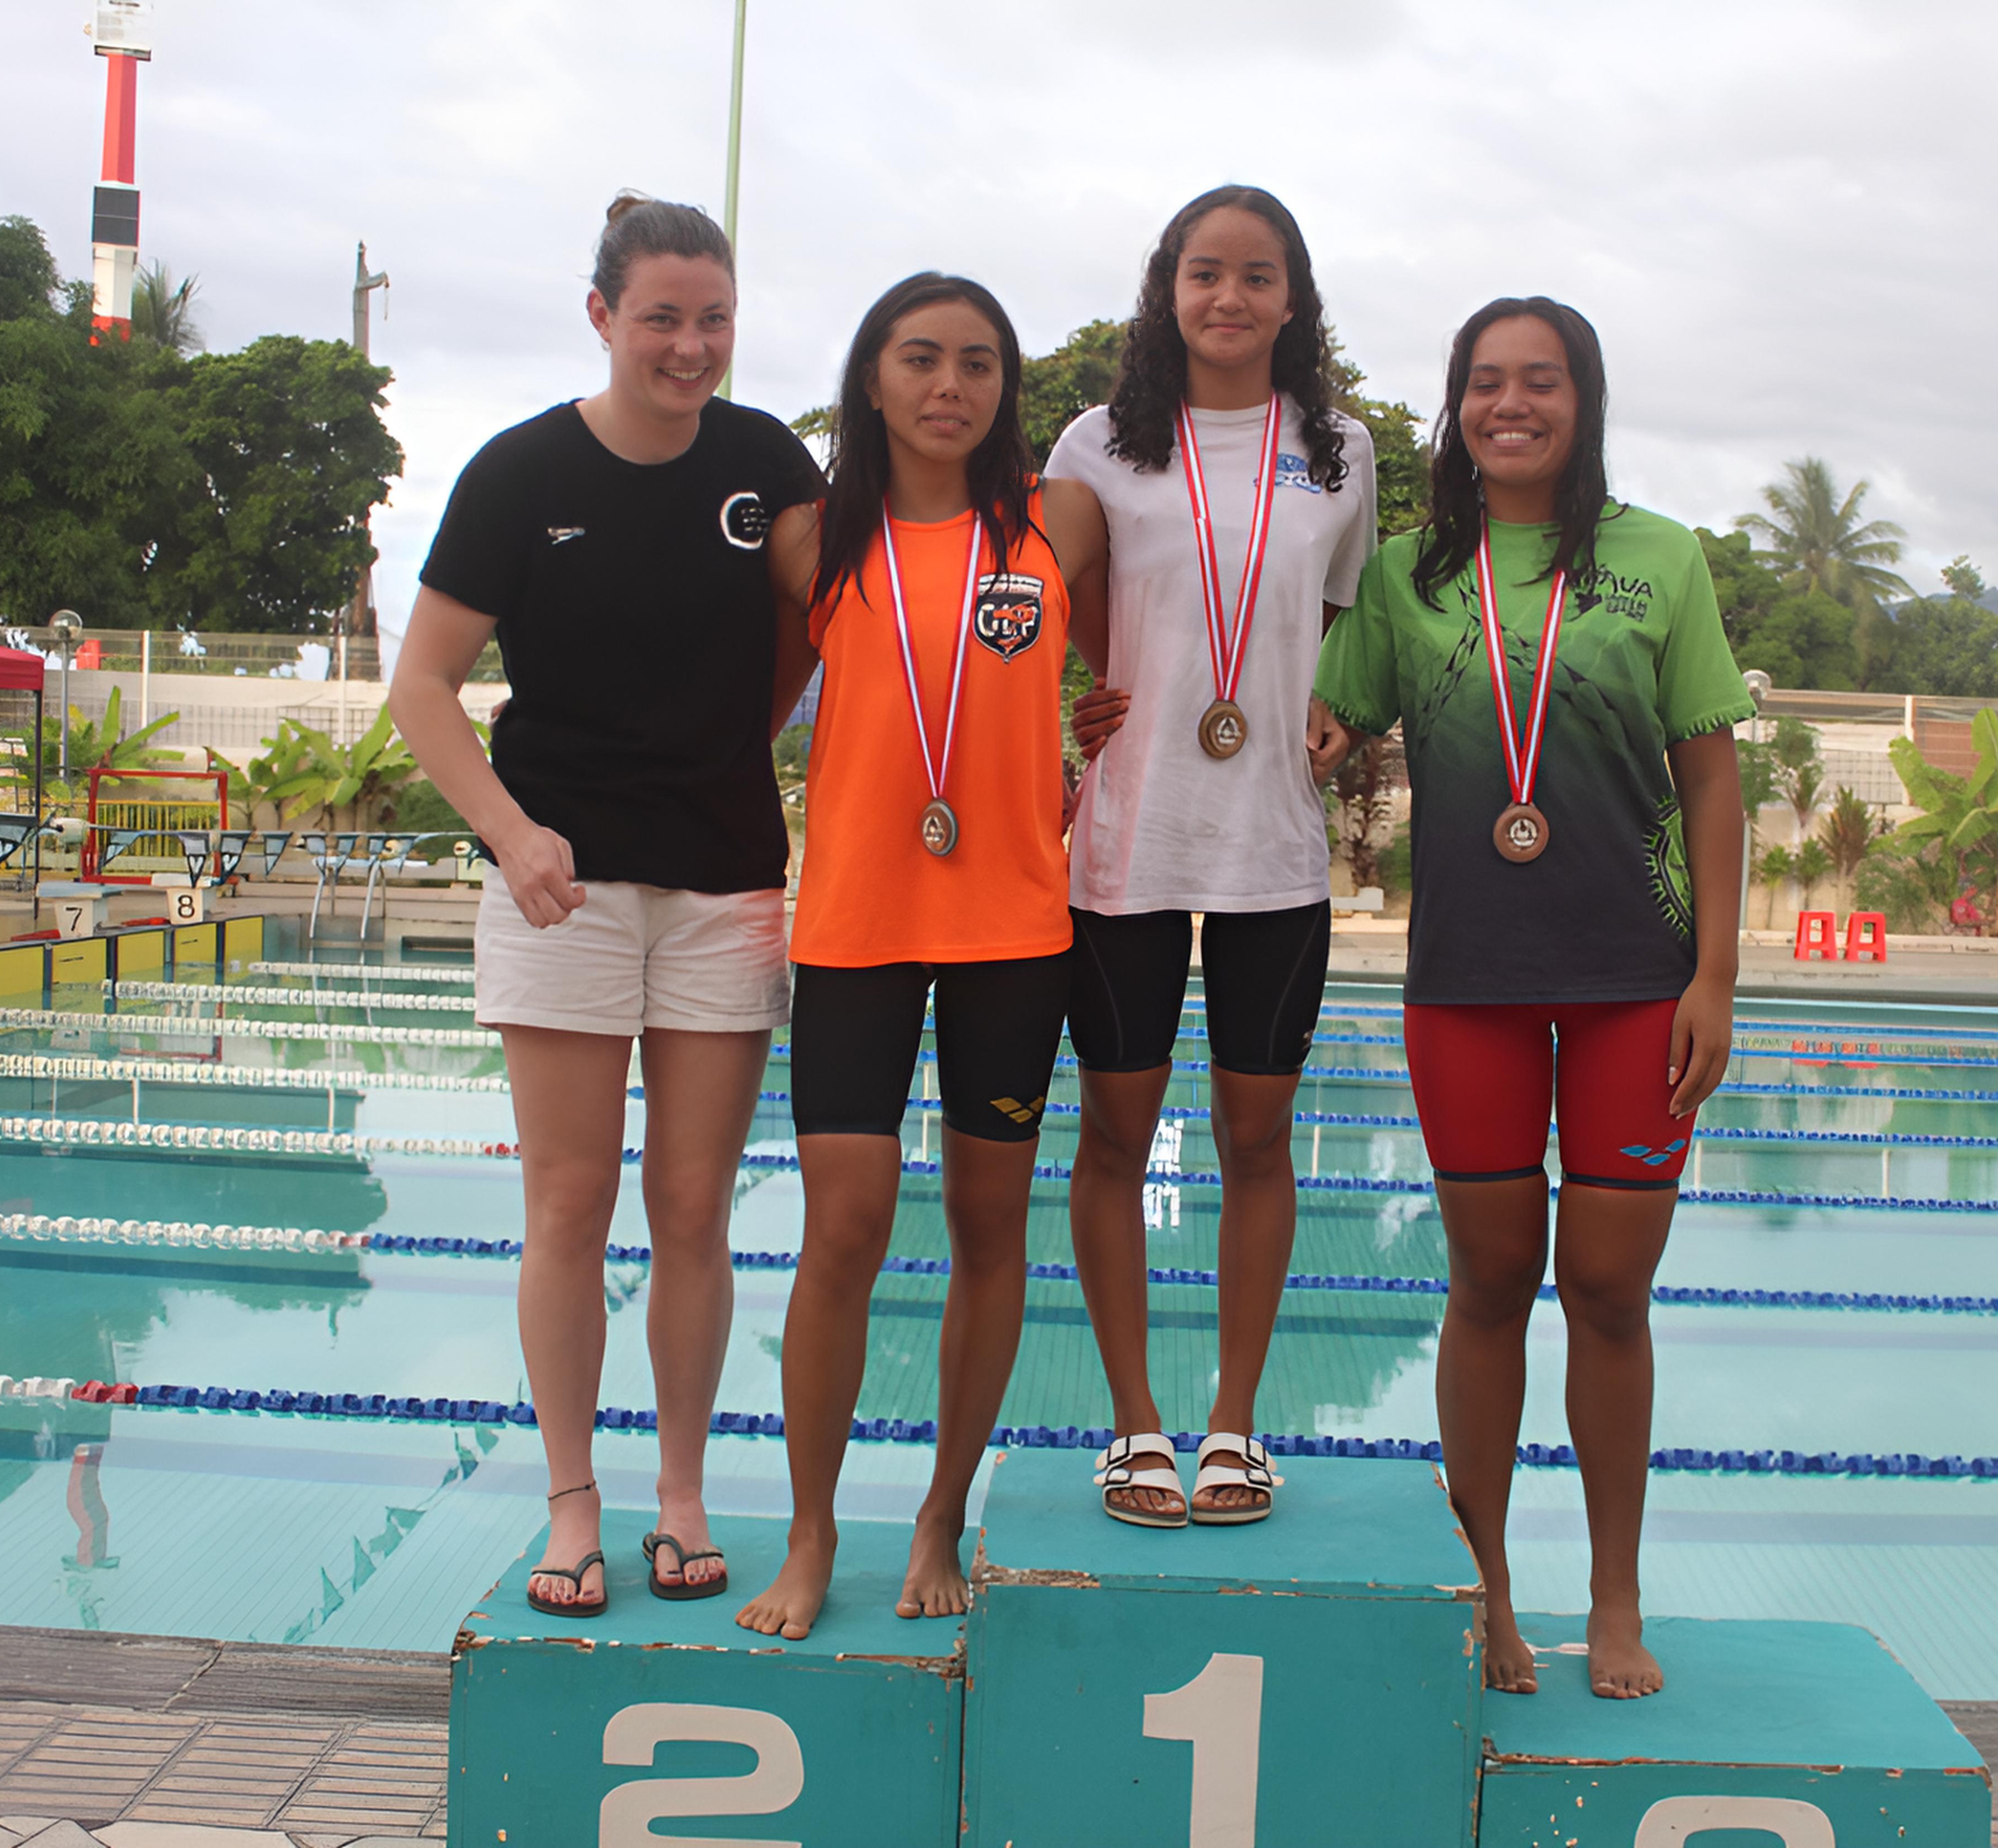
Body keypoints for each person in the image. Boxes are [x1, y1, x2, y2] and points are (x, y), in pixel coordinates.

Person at [390, 195, 825, 1617]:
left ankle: (683, 1492)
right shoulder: (520, 474)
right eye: (661, 317)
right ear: (601, 315)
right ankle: (573, 1502)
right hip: (560, 883)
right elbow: (423, 690)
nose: (690, 346)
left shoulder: (768, 462)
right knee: (569, 1199)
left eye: (713, 318)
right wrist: (513, 836)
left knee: (694, 1205)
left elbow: (835, 626)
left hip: (724, 880)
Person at [1310, 298, 1750, 1699]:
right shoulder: (1407, 574)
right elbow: (1328, 719)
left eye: (1539, 382)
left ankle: (1614, 1598)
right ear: (1457, 408)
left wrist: (1717, 978)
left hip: (1635, 974)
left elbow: (1712, 778)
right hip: (1472, 981)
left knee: (1610, 1291)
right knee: (1490, 1277)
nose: (1512, 405)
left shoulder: (1658, 559)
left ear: (1582, 399)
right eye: (1486, 384)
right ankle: (1488, 1592)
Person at [734, 274, 1107, 1641]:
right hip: (855, 926)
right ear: (873, 375)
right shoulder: (810, 541)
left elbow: (1124, 661)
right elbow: (753, 701)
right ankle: (814, 1527)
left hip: (1015, 929)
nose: (950, 386)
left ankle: (945, 1509)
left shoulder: (1055, 524)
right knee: (842, 1228)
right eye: (921, 359)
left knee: (986, 1231)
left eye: (978, 363)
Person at [1046, 185, 1378, 1529]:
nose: (1227, 298)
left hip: (1273, 846)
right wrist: (1077, 689)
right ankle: (1135, 1428)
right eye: (1203, 274)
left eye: (1255, 276)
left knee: (1256, 1138)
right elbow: (1048, 605)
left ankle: (1234, 1425)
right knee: (1118, 1135)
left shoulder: (1337, 449)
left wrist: (1338, 701)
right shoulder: (1096, 443)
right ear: (1166, 290)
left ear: (1292, 297)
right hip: (1130, 834)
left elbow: (1342, 617)